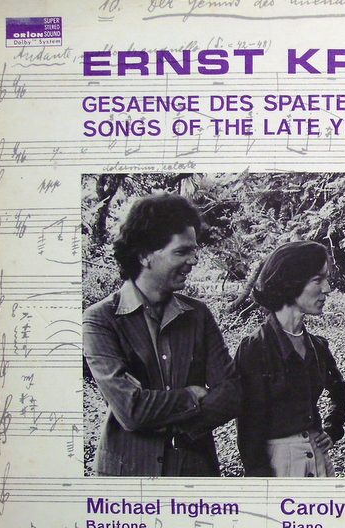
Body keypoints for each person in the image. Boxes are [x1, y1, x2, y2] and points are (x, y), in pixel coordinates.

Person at [83, 193, 240, 476]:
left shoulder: (198, 314)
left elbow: (230, 393)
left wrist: (176, 427)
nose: (194, 260)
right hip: (128, 477)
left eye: (194, 251)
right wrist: (192, 396)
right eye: (181, 252)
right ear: (144, 255)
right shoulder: (100, 319)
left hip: (195, 471)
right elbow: (131, 410)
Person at [235, 241, 345, 477]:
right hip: (278, 465)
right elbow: (248, 429)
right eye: (317, 280)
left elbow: (340, 393)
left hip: (319, 460)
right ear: (290, 282)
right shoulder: (255, 348)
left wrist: (332, 429)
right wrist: (261, 480)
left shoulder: (317, 346)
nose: (327, 288)